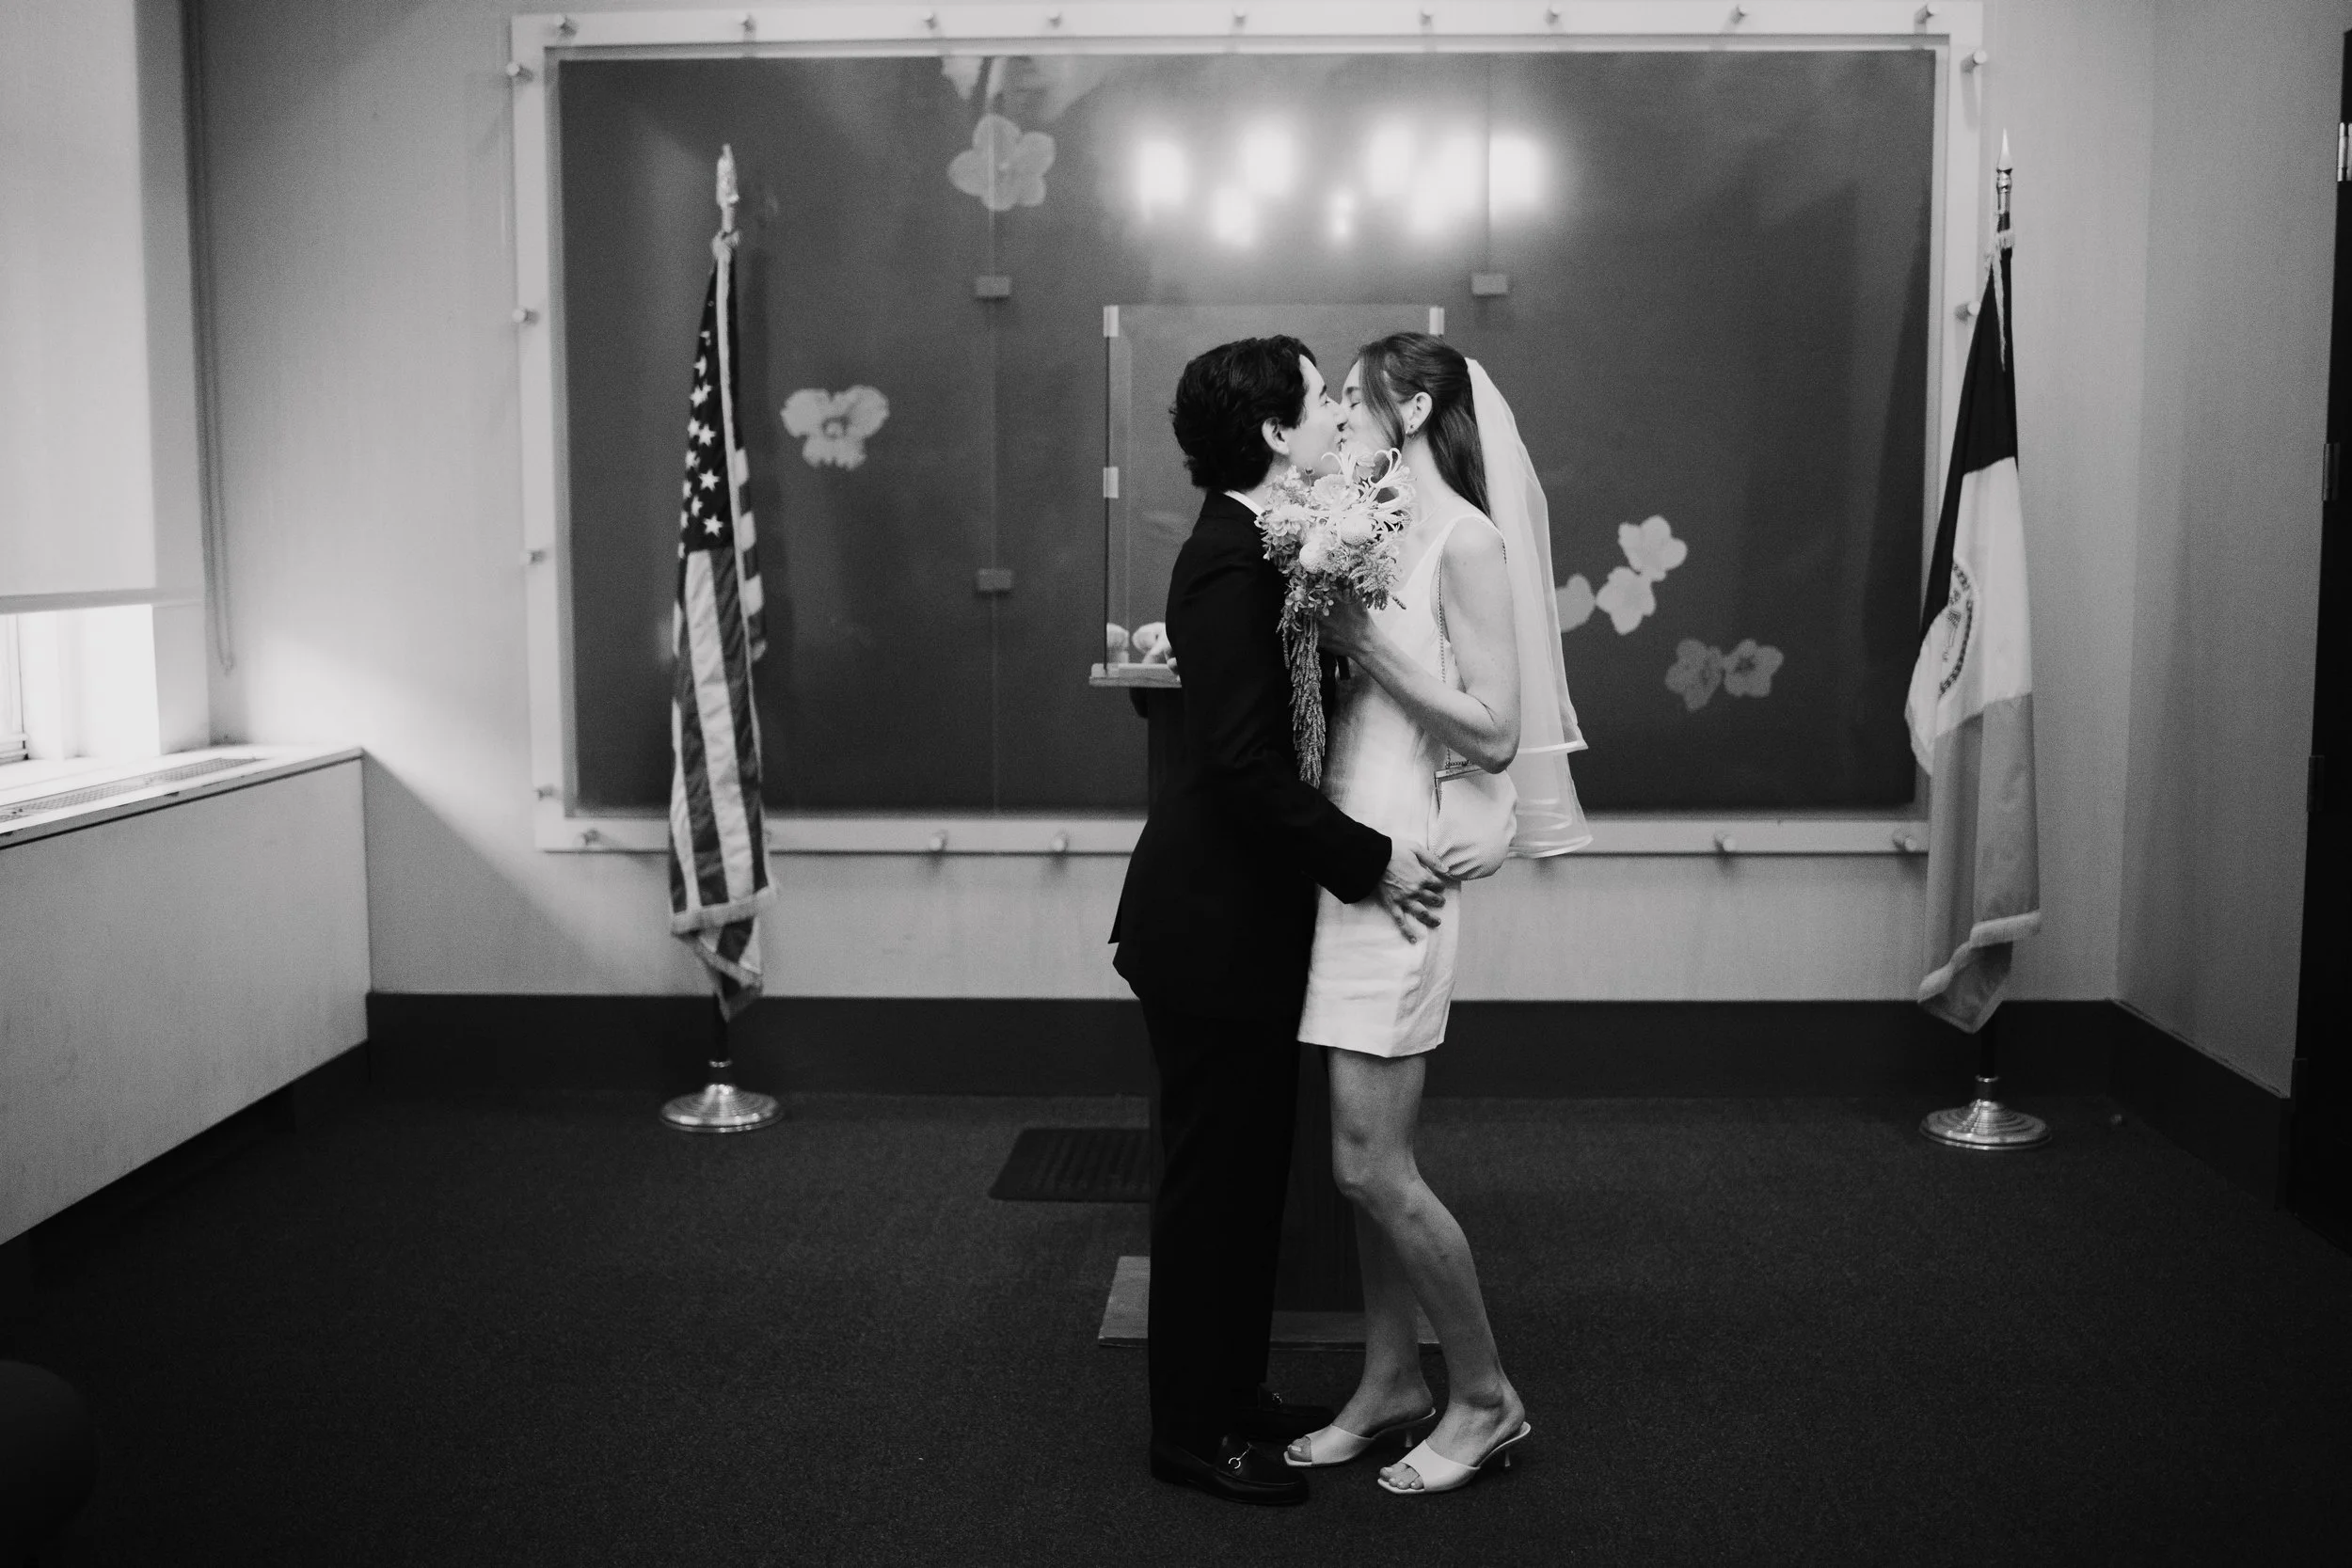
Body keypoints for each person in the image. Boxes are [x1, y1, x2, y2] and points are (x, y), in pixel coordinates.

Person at [1111, 335, 1455, 1507]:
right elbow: (1248, 771)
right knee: (1209, 1192)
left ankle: (1233, 1392)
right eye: (1316, 399)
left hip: (1245, 929)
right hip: (1206, 931)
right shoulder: (1226, 566)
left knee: (1251, 1181)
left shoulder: (1263, 551)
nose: (1331, 415)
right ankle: (1187, 1432)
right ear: (1270, 433)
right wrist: (1373, 862)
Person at [1285, 333, 1588, 1496]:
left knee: (1373, 1166)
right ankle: (1386, 1380)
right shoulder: (1367, 531)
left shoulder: (1464, 539)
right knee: (1354, 1161)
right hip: (1349, 865)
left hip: (1405, 874)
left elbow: (1498, 727)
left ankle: (1483, 1391)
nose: (1342, 428)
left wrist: (1363, 643)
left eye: (1354, 408)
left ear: (1411, 409)